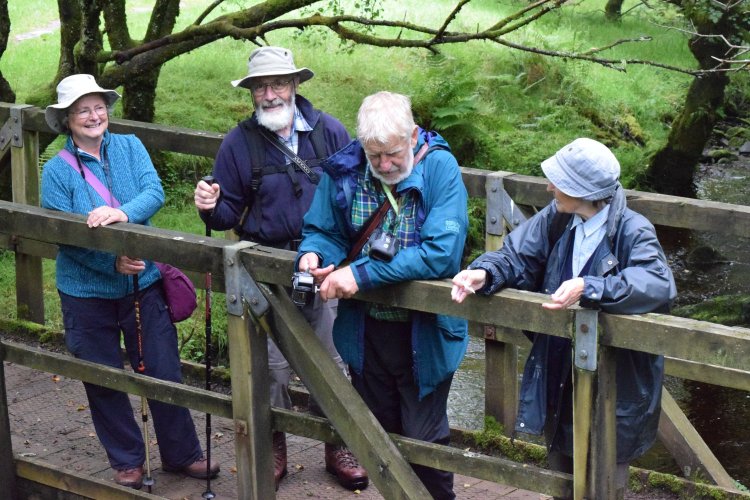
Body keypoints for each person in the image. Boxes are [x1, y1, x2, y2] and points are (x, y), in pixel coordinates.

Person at [451, 138, 676, 498]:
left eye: (559, 181)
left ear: (584, 192)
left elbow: (657, 283)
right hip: (558, 372)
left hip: (615, 386)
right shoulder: (557, 218)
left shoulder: (633, 230)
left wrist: (591, 286)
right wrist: (485, 272)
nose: (549, 186)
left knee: (604, 484)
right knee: (561, 479)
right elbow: (516, 256)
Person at [192, 46, 368, 490]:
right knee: (268, 368)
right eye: (260, 87)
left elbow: (356, 197)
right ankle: (274, 446)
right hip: (264, 270)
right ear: (252, 93)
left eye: (278, 84)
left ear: (294, 86)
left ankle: (338, 444)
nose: (270, 94)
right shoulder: (238, 143)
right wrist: (211, 208)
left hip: (324, 267)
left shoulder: (330, 131)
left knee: (334, 361)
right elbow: (228, 213)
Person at [40, 74, 219, 490]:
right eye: (82, 109)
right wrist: (113, 263)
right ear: (67, 119)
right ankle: (126, 461)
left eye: (98, 106)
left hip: (145, 283)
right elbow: (62, 235)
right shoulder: (57, 172)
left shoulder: (130, 146)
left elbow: (153, 192)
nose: (93, 115)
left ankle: (183, 454)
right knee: (103, 378)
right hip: (86, 293)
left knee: (163, 369)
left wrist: (122, 215)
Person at [296, 91, 470, 500]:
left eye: (392, 154)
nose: (385, 166)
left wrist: (361, 274)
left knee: (425, 440)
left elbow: (441, 256)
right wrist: (315, 254)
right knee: (380, 435)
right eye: (375, 157)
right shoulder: (347, 168)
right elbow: (325, 229)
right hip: (365, 330)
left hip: (425, 332)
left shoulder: (440, 168)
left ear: (412, 137)